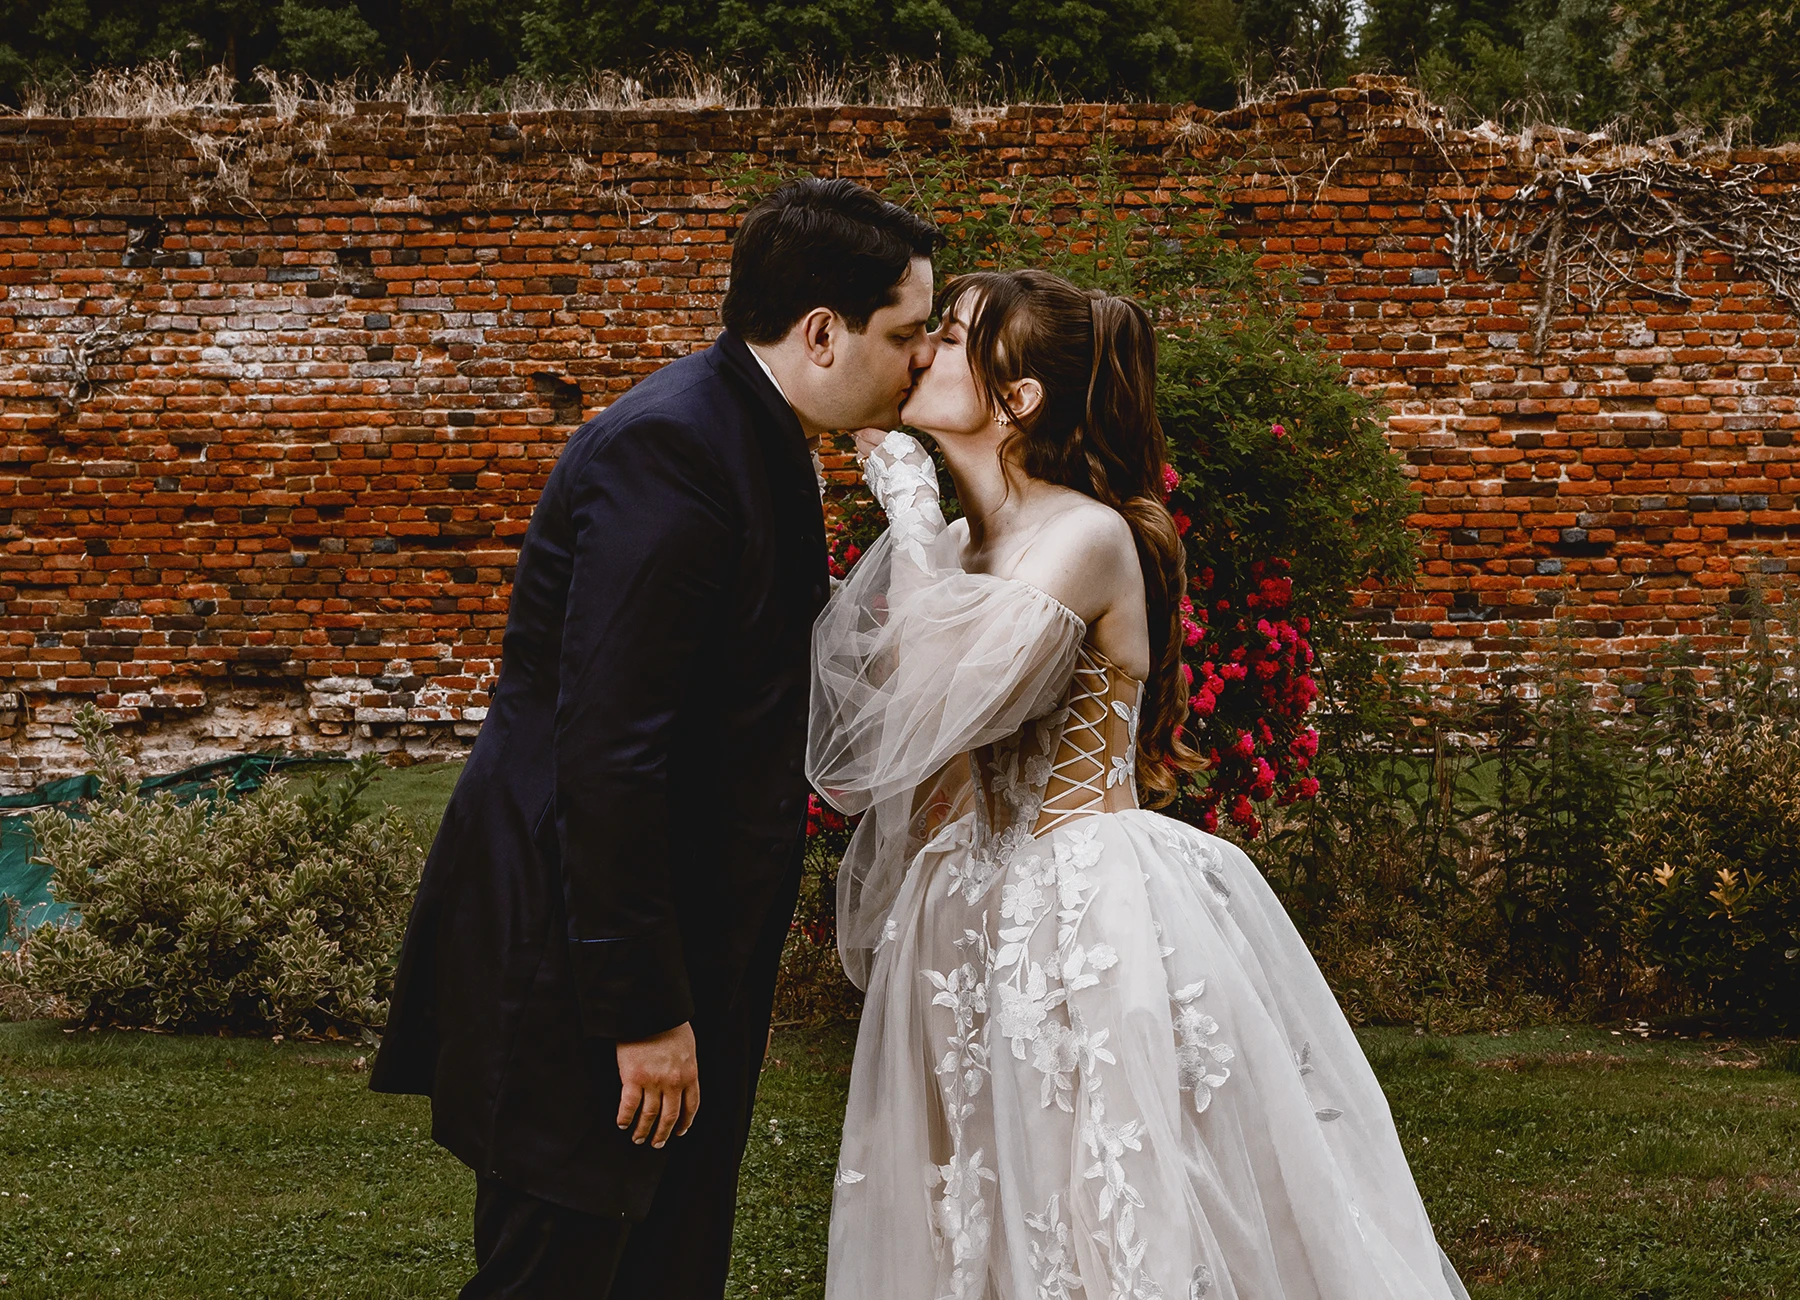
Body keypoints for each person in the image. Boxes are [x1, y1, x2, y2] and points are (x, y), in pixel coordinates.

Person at [809, 268, 1472, 1300]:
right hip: (969, 910)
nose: (927, 346)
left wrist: (901, 502)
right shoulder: (957, 544)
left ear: (1017, 398)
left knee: (1101, 1186)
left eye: (956, 332)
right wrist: (921, 534)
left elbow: (948, 697)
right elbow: (890, 744)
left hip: (1084, 904)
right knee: (975, 1196)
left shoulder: (1085, 536)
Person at [370, 177, 938, 1299]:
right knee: (565, 1269)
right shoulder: (672, 452)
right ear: (823, 333)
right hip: (585, 969)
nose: (922, 359)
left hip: (685, 957)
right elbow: (610, 753)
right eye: (909, 333)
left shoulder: (761, 434)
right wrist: (641, 1014)